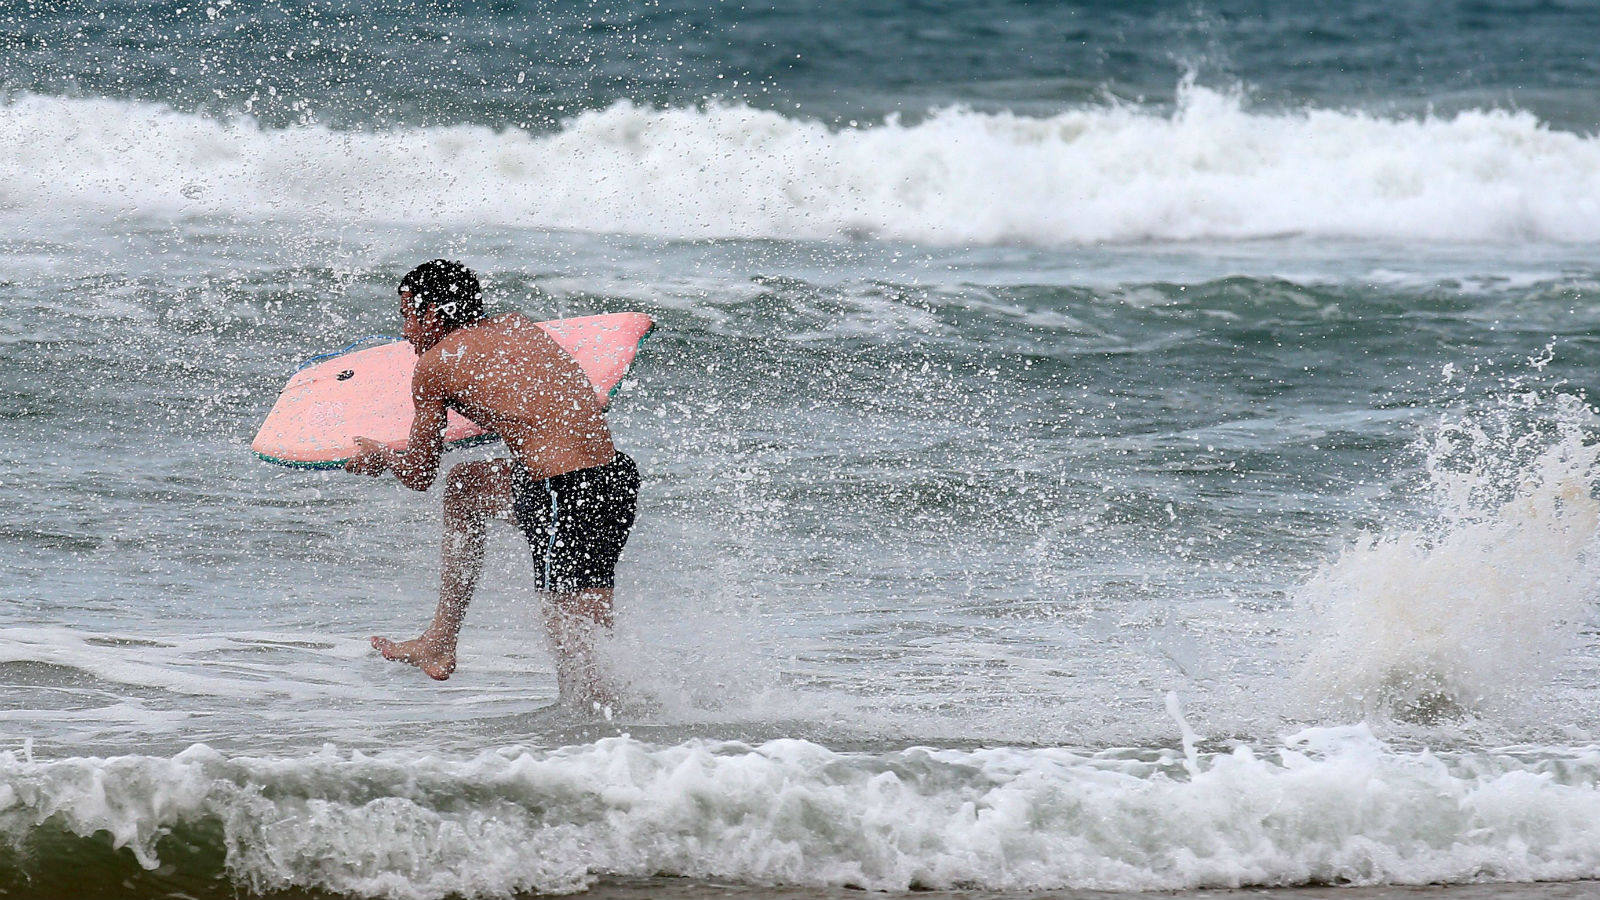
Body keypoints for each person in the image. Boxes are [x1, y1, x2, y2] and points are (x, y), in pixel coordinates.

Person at [344, 259, 638, 706]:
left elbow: (420, 473)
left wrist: (381, 457)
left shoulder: (436, 366)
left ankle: (618, 753)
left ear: (432, 313)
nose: (404, 332)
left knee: (584, 678)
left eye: (407, 314)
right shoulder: (519, 327)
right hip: (614, 478)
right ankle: (440, 639)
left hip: (564, 493)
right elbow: (555, 403)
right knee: (465, 488)